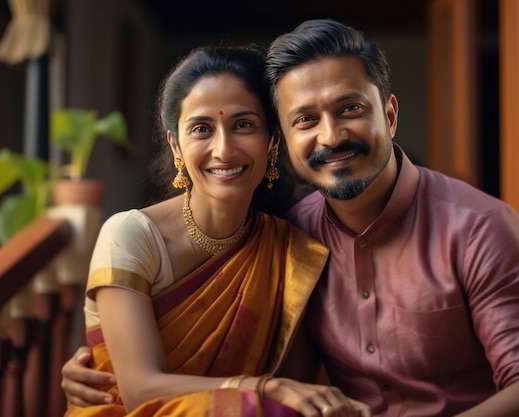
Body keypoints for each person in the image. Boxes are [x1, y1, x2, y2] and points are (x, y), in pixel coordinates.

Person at [62, 20, 519, 417]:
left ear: (390, 115)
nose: (330, 137)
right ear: (283, 140)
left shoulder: (479, 229)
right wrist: (104, 371)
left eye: (350, 109)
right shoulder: (293, 236)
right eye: (305, 120)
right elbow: (274, 378)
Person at [62, 44, 370, 417]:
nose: (223, 150)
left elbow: (299, 389)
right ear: (176, 144)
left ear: (273, 140)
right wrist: (263, 387)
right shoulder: (132, 236)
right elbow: (139, 389)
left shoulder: (290, 249)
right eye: (201, 129)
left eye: (243, 125)